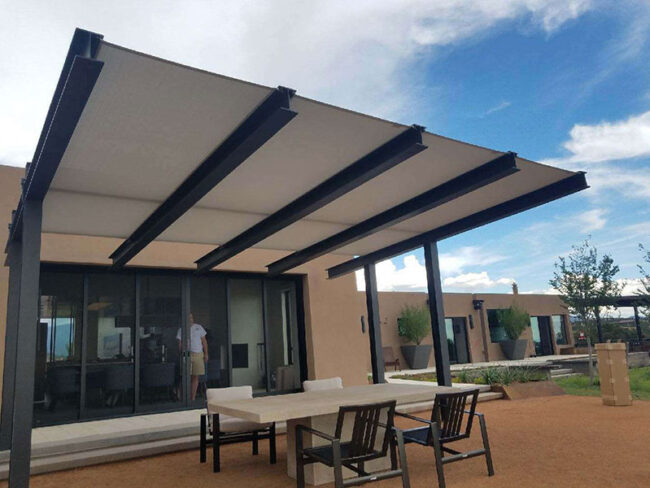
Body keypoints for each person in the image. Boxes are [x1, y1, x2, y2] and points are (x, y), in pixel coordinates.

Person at [177, 313, 208, 401]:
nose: (190, 319)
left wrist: (206, 354)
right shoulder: (181, 329)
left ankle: (192, 398)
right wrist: (181, 354)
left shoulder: (199, 327)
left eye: (191, 317)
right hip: (186, 354)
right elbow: (179, 343)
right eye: (188, 317)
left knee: (195, 376)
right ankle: (183, 398)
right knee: (185, 376)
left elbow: (204, 341)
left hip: (198, 354)